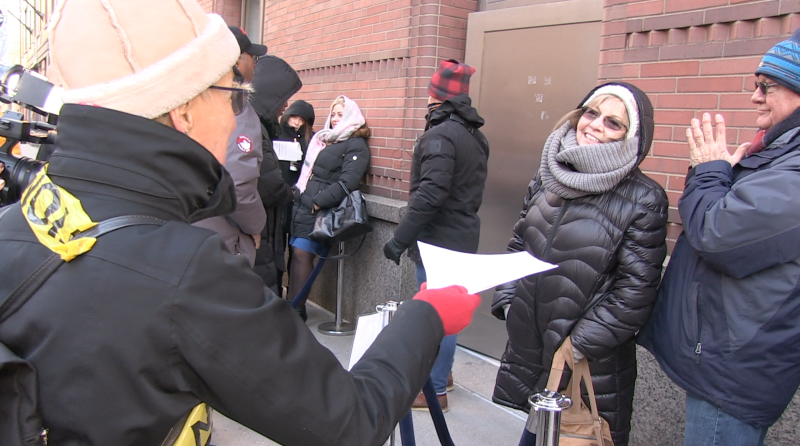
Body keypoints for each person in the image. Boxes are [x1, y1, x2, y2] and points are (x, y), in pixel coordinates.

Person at [0, 1, 481, 444]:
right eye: (233, 98)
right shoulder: (187, 273)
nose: (238, 119)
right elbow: (349, 421)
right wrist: (428, 316)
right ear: (183, 110)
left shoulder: (13, 222)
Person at [638, 29, 800, 446]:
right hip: (726, 360)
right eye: (754, 84)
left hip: (736, 371)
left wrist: (711, 171)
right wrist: (715, 175)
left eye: (768, 86)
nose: (755, 96)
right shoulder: (776, 154)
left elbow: (717, 234)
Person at [491, 82, 668, 446]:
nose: (596, 125)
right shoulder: (548, 176)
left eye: (613, 122)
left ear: (631, 137)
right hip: (531, 349)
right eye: (591, 113)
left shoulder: (644, 198)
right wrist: (510, 304)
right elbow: (519, 244)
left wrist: (574, 346)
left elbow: (635, 294)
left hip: (586, 365)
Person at [382, 59, 490, 412]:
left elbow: (430, 194)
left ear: (434, 95)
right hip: (461, 237)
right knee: (449, 308)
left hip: (440, 242)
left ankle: (435, 389)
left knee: (436, 314)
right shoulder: (475, 135)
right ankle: (444, 374)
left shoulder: (440, 135)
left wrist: (399, 240)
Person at [287, 95, 371, 321]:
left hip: (320, 210)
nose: (334, 119)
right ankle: (292, 306)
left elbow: (349, 181)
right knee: (296, 253)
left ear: (352, 116)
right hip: (302, 205)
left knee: (304, 254)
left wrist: (318, 201)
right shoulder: (324, 139)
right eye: (333, 114)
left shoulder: (355, 143)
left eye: (340, 114)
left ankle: (295, 310)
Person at [192, 25, 268, 267]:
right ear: (236, 59)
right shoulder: (233, 104)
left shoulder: (187, 99)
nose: (255, 64)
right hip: (219, 238)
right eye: (252, 57)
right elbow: (238, 184)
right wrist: (255, 225)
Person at [249, 55, 301, 294]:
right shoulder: (253, 127)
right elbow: (268, 185)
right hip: (260, 231)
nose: (285, 107)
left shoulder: (256, 124)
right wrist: (289, 193)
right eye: (283, 100)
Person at [276, 99, 316, 292]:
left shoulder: (312, 141)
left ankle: (293, 294)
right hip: (278, 198)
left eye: (302, 120)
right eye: (294, 117)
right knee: (277, 247)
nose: (296, 123)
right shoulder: (276, 134)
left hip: (300, 202)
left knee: (297, 251)